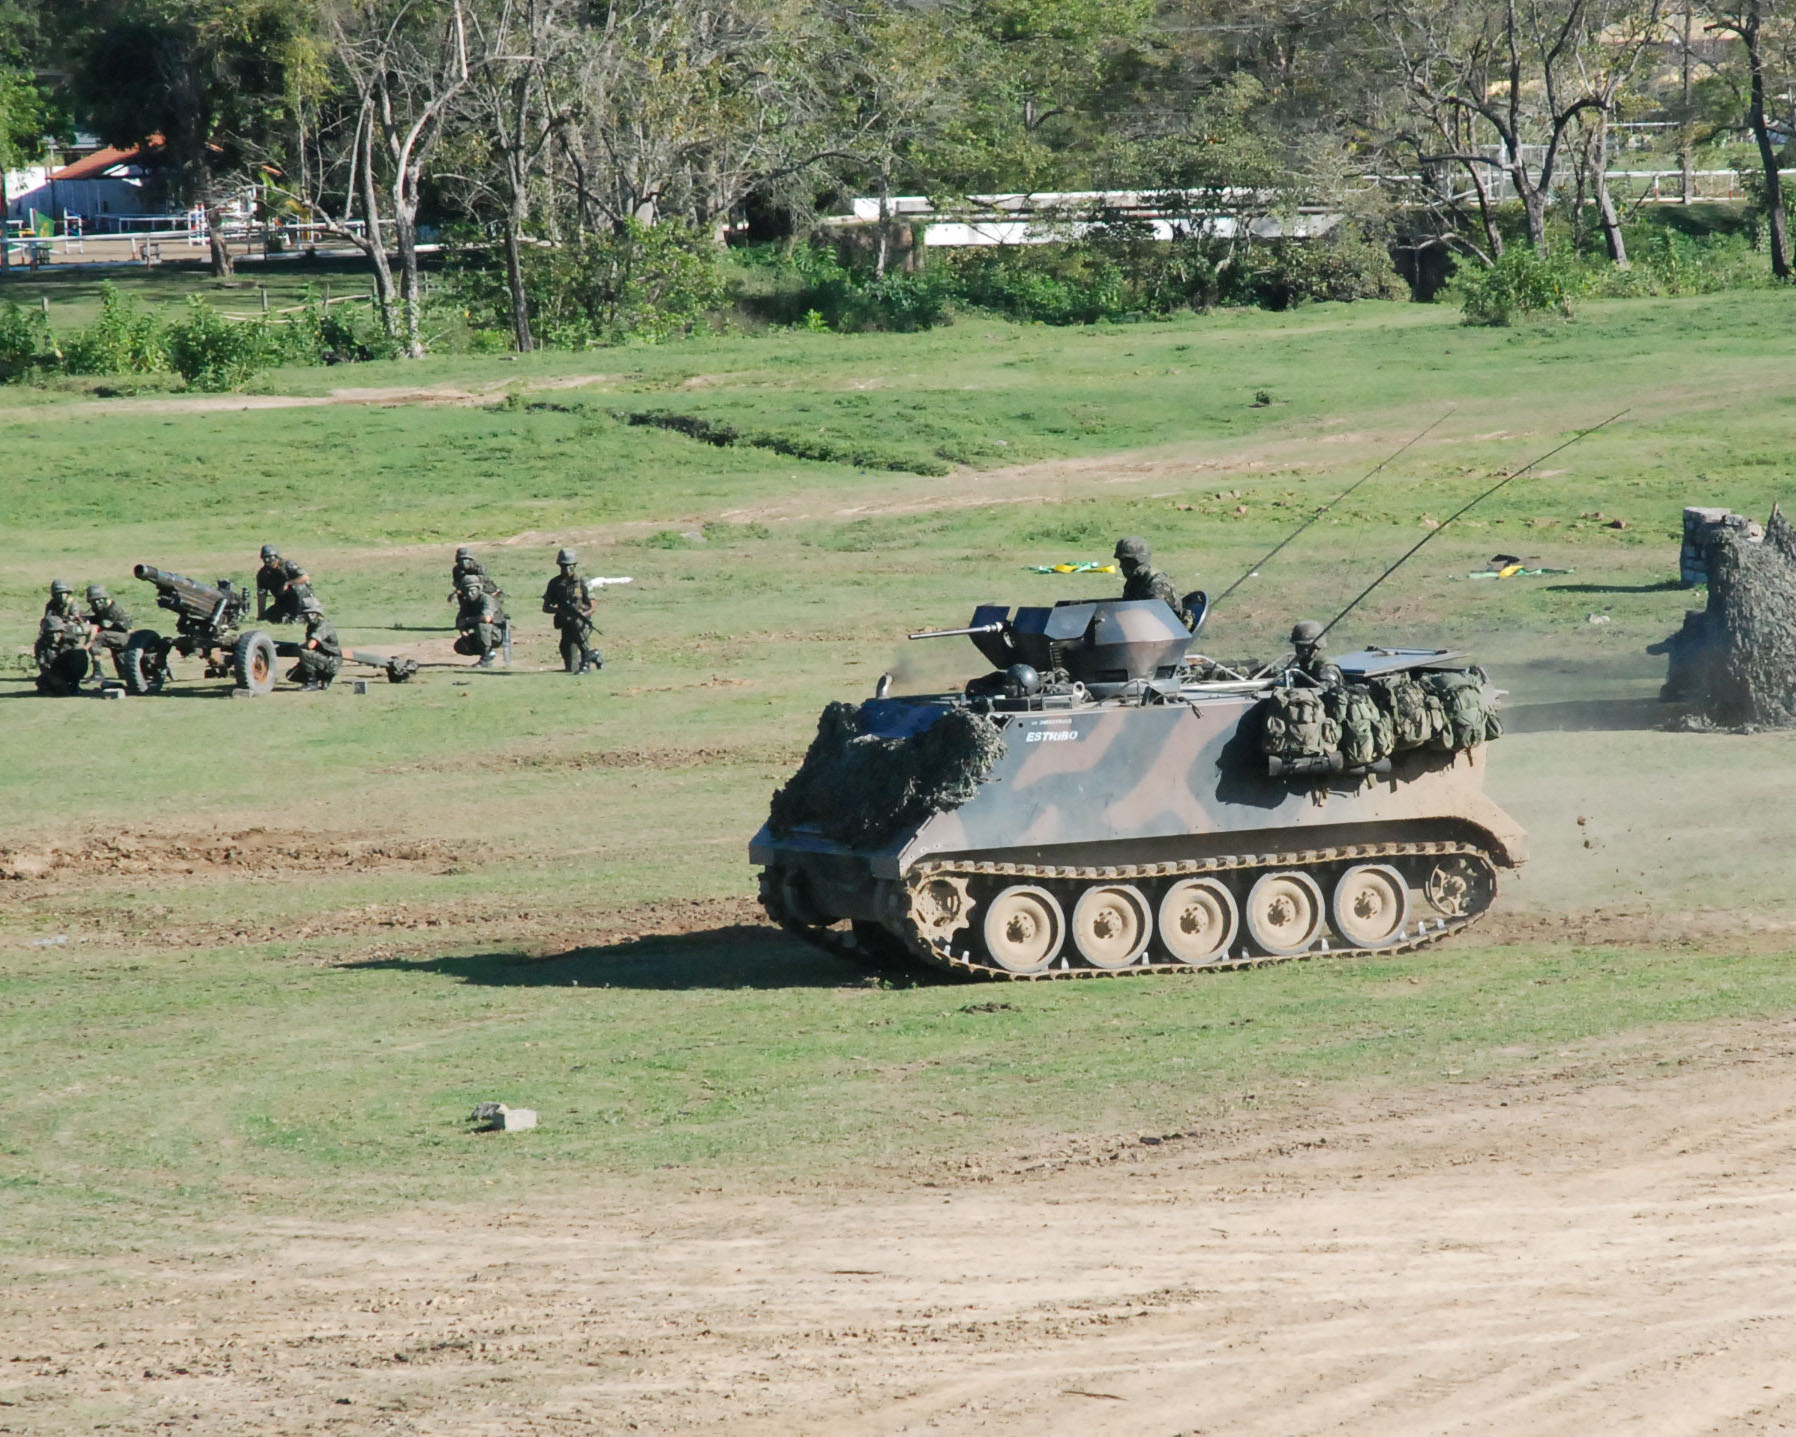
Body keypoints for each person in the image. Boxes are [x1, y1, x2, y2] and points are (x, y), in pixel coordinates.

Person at [541, 546, 602, 674]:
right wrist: (560, 611)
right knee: (569, 663)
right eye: (563, 566)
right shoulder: (554, 583)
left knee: (583, 645)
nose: (566, 569)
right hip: (565, 624)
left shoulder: (582, 582)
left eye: (569, 566)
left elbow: (593, 605)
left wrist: (583, 615)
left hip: (580, 624)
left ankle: (587, 663)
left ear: (574, 565)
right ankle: (595, 655)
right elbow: (546, 608)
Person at [1114, 536, 1195, 631]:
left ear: (1134, 561)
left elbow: (1159, 621)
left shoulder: (1157, 584)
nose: (1120, 566)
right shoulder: (1135, 580)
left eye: (1123, 561)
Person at [34, 580, 89, 693]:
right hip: (54, 670)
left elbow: (78, 622)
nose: (61, 596)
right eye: (58, 593)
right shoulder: (42, 644)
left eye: (64, 593)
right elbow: (43, 665)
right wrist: (56, 681)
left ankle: (74, 684)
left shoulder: (73, 605)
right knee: (44, 684)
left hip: (67, 629)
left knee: (78, 655)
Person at [287, 594, 342, 690]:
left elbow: (310, 645)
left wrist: (298, 648)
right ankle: (322, 678)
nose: (307, 616)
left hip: (331, 662)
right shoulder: (312, 626)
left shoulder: (323, 625)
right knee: (291, 675)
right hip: (322, 659)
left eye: (310, 613)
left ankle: (312, 682)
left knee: (305, 653)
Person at [453, 571, 506, 667]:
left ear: (478, 589)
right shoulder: (467, 602)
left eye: (473, 590)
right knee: (460, 646)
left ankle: (486, 658)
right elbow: (460, 620)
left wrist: (468, 621)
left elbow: (487, 618)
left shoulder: (486, 599)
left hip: (496, 634)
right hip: (481, 633)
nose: (470, 593)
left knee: (482, 626)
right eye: (467, 590)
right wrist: (464, 633)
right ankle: (488, 652)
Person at [84, 582, 133, 679]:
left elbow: (127, 626)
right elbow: (96, 619)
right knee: (124, 675)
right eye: (93, 601)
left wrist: (112, 625)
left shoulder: (116, 609)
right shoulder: (99, 608)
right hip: (114, 638)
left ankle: (97, 672)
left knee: (97, 638)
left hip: (125, 637)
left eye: (98, 600)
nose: (96, 603)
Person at [256, 544, 314, 624]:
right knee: (268, 617)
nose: (268, 560)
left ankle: (301, 616)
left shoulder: (288, 565)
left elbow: (305, 577)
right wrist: (261, 615)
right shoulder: (263, 574)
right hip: (283, 601)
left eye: (270, 557)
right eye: (265, 558)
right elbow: (262, 595)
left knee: (296, 587)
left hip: (302, 601)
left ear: (276, 557)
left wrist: (288, 583)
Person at [1286, 619, 1343, 688]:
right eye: (1297, 646)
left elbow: (1325, 690)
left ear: (1316, 647)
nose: (1298, 650)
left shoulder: (1327, 668)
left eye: (1303, 646)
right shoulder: (1303, 666)